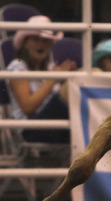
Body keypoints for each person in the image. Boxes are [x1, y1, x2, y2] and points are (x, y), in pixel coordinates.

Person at [6, 15, 77, 144]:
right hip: (30, 129)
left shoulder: (51, 67)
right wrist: (54, 79)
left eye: (45, 40)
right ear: (26, 42)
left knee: (85, 76)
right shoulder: (17, 66)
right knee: (75, 86)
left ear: (51, 44)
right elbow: (27, 107)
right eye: (36, 39)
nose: (41, 44)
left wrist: (65, 78)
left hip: (55, 125)